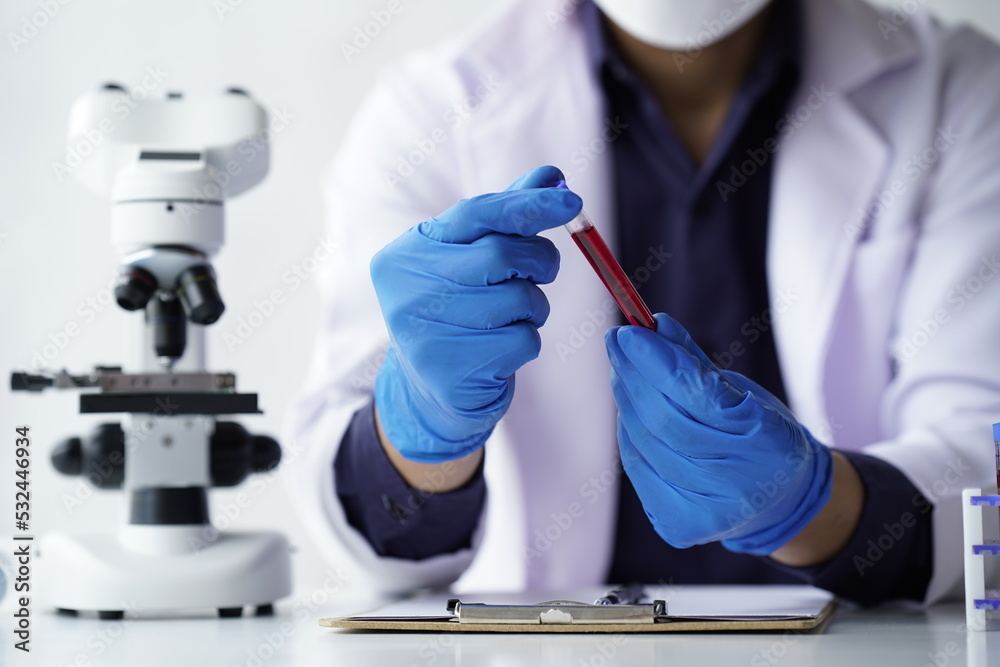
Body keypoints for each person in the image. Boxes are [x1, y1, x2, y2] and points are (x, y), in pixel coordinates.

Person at [283, 0, 1000, 606]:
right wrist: (421, 431)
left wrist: (813, 505)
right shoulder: (430, 112)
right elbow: (371, 533)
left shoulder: (959, 91)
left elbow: (981, 464)